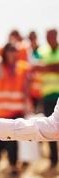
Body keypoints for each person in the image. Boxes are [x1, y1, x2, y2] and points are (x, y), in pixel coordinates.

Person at [0, 43, 31, 177]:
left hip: (16, 111)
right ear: (4, 53)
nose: (13, 53)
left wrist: (27, 104)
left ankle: (12, 166)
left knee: (12, 141)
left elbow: (26, 88)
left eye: (15, 51)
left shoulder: (22, 68)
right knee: (0, 142)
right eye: (10, 51)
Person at [36, 29, 59, 170]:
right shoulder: (42, 51)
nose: (49, 38)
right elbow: (36, 68)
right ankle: (53, 160)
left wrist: (46, 67)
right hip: (47, 96)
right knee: (50, 130)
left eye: (51, 36)